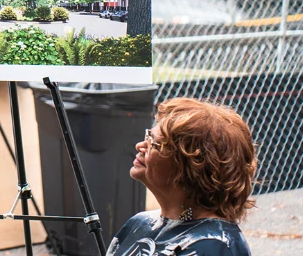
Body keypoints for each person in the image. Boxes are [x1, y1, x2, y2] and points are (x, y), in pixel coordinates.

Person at [106, 98, 257, 256]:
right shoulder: (139, 223)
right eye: (148, 135)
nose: (140, 146)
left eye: (154, 143)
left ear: (191, 166)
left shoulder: (216, 245)